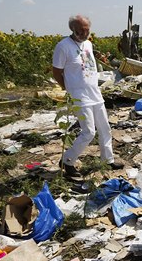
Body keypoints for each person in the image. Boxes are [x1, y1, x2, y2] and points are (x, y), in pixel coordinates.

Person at [52, 14, 123, 177]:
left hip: (95, 94)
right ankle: (67, 160)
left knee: (105, 128)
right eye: (80, 30)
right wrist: (68, 88)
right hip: (79, 97)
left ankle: (108, 160)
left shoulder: (88, 44)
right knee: (88, 132)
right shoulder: (63, 46)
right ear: (72, 29)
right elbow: (57, 72)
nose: (84, 33)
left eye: (87, 30)